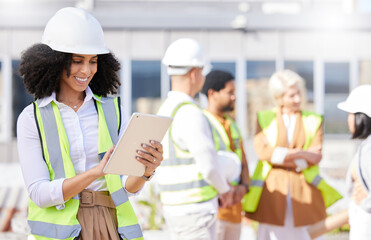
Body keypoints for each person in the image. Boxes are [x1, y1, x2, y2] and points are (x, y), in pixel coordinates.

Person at [17, 7, 163, 240]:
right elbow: (39, 193)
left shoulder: (114, 111)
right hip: (59, 233)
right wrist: (96, 172)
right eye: (77, 61)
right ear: (53, 62)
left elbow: (126, 187)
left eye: (93, 61)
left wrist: (145, 171)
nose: (86, 70)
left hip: (109, 225)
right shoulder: (31, 118)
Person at [243, 69, 342, 240]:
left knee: (306, 234)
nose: (298, 99)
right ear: (279, 97)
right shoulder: (265, 118)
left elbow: (316, 156)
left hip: (304, 191)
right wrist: (301, 154)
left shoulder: (313, 119)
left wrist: (279, 157)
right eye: (291, 95)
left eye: (299, 93)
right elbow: (263, 153)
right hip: (273, 193)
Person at [156, 38, 233, 240]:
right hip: (196, 212)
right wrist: (224, 190)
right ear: (194, 73)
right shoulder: (190, 112)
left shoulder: (165, 109)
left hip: (174, 209)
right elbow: (208, 165)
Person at [200, 70, 250, 240]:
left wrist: (243, 187)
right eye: (230, 92)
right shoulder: (202, 122)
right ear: (213, 93)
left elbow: (243, 160)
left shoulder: (232, 124)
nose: (234, 97)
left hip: (234, 210)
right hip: (215, 210)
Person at [337, 85, 371, 240]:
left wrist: (365, 204)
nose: (348, 119)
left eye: (350, 113)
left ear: (361, 116)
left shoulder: (368, 149)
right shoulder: (365, 147)